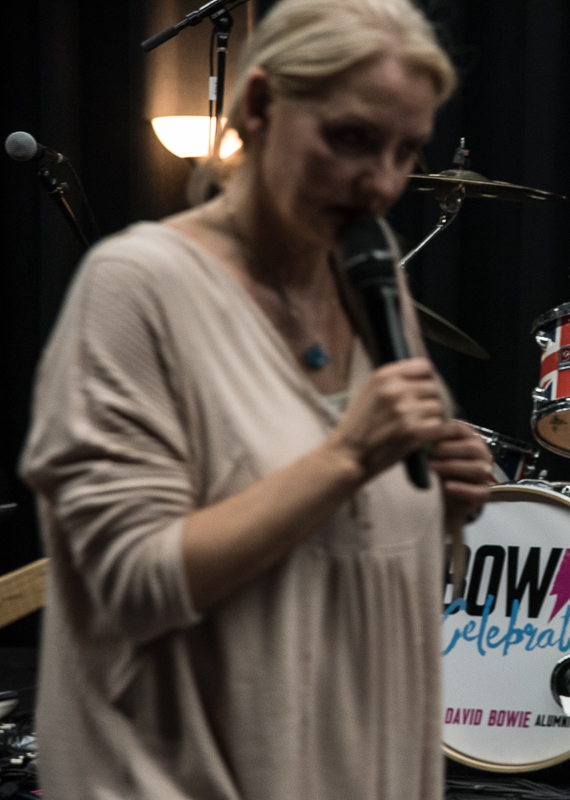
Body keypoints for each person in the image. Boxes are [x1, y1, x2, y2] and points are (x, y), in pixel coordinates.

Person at [19, 1, 492, 797]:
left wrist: (441, 494)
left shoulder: (371, 276)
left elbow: (357, 555)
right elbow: (127, 585)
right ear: (264, 105)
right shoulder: (138, 285)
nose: (383, 183)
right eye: (352, 139)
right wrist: (347, 458)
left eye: (406, 150)